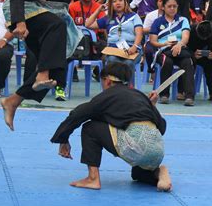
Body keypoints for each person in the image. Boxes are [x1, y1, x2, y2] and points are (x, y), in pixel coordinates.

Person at [0, 0, 82, 131]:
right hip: (17, 8)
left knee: (58, 69)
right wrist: (19, 22)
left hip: (34, 6)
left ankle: (13, 100)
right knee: (56, 25)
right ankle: (42, 74)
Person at [50, 62, 171, 192]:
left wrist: (63, 138)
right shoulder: (141, 96)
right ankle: (159, 172)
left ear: (107, 81)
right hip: (157, 152)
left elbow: (78, 114)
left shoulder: (107, 96)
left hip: (136, 146)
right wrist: (152, 105)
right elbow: (162, 127)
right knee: (138, 175)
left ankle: (92, 179)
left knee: (90, 128)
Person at [149, 0, 194, 106]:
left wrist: (179, 44)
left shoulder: (183, 20)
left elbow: (185, 36)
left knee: (188, 62)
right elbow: (153, 41)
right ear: (163, 7)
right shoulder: (157, 22)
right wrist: (164, 43)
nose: (172, 8)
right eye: (169, 6)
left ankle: (189, 96)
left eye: (175, 6)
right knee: (167, 62)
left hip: (180, 50)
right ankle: (164, 95)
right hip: (164, 50)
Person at [85, 0, 143, 71]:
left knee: (128, 63)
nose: (118, 3)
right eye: (114, 1)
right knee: (112, 60)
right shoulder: (108, 18)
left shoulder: (134, 16)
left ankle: (126, 83)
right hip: (113, 50)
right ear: (110, 5)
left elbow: (139, 33)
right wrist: (98, 10)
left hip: (132, 49)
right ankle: (115, 83)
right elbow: (88, 24)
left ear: (125, 2)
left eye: (120, 0)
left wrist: (134, 46)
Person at [187, 20, 212, 101]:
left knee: (211, 65)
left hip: (205, 57)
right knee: (187, 63)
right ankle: (184, 91)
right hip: (190, 55)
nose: (204, 39)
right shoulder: (190, 31)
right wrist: (193, 55)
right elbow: (184, 47)